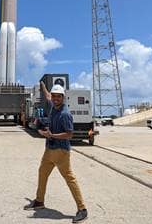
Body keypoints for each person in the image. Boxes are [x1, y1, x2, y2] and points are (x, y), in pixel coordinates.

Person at [24, 81, 88, 223]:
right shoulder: (53, 105)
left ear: (63, 98)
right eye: (54, 96)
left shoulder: (65, 114)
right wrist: (43, 86)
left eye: (58, 97)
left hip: (61, 152)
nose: (55, 99)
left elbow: (69, 134)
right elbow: (47, 96)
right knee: (42, 173)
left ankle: (82, 209)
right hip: (49, 150)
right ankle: (39, 201)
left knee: (69, 178)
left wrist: (51, 135)